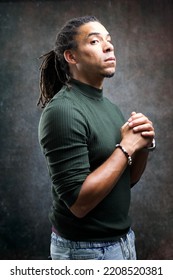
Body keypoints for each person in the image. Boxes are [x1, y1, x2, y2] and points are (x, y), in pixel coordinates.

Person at [37, 15, 155, 260]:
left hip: (124, 242)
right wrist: (125, 147)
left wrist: (140, 145)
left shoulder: (110, 108)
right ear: (72, 57)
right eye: (94, 41)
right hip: (85, 252)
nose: (109, 46)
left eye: (109, 40)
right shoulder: (63, 111)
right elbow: (79, 205)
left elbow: (125, 180)